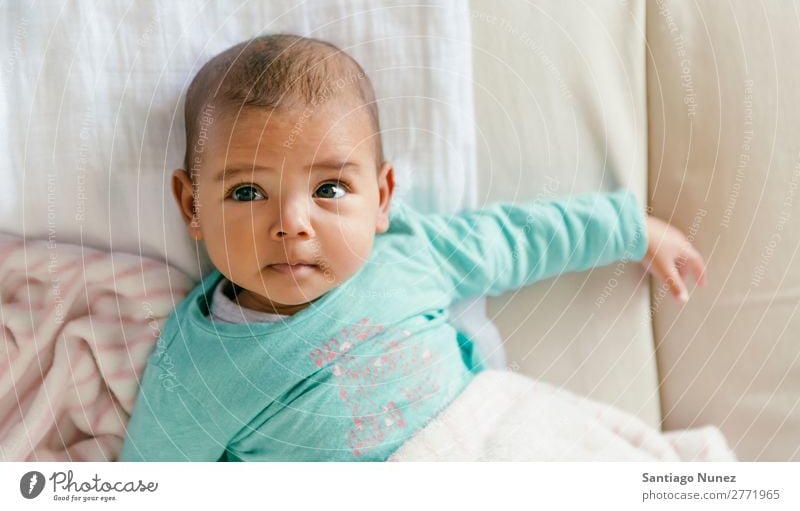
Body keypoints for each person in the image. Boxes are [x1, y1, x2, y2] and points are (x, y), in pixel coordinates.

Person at [120, 34, 707, 461]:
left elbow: (517, 238)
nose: (292, 223)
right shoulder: (195, 363)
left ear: (382, 197)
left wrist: (627, 228)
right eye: (248, 191)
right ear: (192, 205)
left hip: (486, 442)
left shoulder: (406, 252)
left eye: (329, 188)